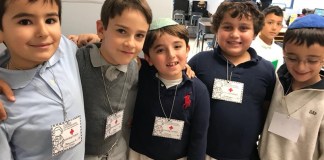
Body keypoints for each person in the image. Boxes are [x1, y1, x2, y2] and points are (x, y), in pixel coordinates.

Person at [188, 1, 276, 160]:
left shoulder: (267, 70)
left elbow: (266, 109)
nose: (235, 34)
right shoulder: (199, 62)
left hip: (245, 153)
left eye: (243, 28)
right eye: (227, 27)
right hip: (203, 152)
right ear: (216, 29)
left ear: (255, 33)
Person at [0, 0, 86, 159]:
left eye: (50, 20)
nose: (43, 32)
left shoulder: (66, 48)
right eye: (25, 22)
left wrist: (95, 39)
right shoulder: (4, 105)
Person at [75, 0, 152, 159]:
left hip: (116, 149)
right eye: (122, 31)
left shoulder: (133, 66)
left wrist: (183, 67)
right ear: (101, 29)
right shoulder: (77, 61)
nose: (131, 43)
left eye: (139, 35)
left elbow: (161, 67)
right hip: (82, 153)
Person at [128, 18, 210, 160]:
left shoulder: (198, 90)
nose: (171, 54)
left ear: (187, 49)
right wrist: (96, 38)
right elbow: (119, 53)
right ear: (148, 58)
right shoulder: (142, 75)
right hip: (140, 155)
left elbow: (199, 137)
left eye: (177, 47)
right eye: (160, 50)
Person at [259, 14, 324, 160]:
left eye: (312, 60)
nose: (301, 67)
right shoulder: (276, 83)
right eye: (292, 58)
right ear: (284, 52)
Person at [251, 5, 284, 70]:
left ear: (281, 27)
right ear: (260, 23)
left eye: (278, 24)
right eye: (270, 22)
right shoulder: (250, 46)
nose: (274, 28)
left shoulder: (279, 50)